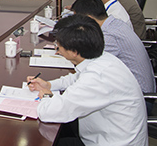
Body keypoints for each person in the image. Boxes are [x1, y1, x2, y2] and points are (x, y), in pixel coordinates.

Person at [28, 14, 147, 146]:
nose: (57, 50)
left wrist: (46, 96)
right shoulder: (103, 58)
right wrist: (49, 85)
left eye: (58, 45)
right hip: (105, 134)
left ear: (74, 52)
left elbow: (49, 112)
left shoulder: (98, 77)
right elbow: (77, 78)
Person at [71, 0, 155, 110]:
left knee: (78, 102)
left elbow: (88, 62)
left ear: (89, 18)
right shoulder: (114, 24)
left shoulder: (109, 36)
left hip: (139, 100)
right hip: (134, 91)